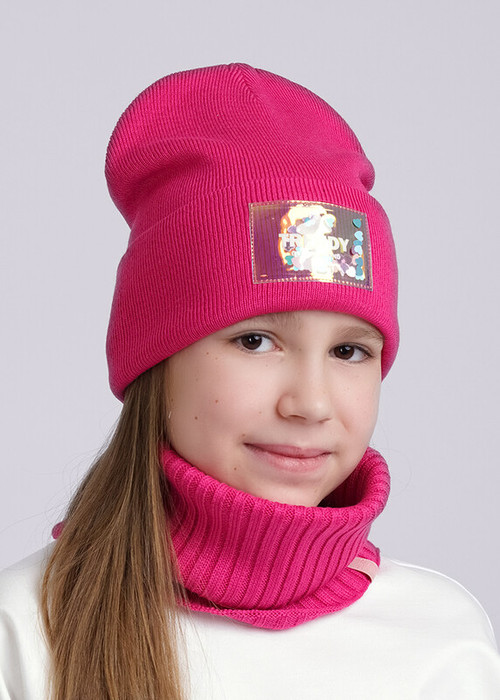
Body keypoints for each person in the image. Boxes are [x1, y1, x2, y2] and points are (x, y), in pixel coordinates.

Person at [1, 62, 499, 700]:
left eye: (349, 351)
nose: (310, 403)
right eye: (255, 341)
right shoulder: (25, 630)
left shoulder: (444, 639)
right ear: (157, 360)